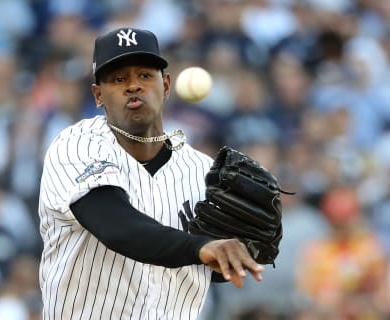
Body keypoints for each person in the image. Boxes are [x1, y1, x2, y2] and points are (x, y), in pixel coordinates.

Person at [38, 27, 264, 320]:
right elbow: (116, 226)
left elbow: (200, 261)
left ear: (166, 85)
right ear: (98, 95)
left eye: (145, 75)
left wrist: (235, 255)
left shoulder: (201, 171)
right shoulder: (76, 146)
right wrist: (201, 246)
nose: (133, 86)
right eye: (119, 79)